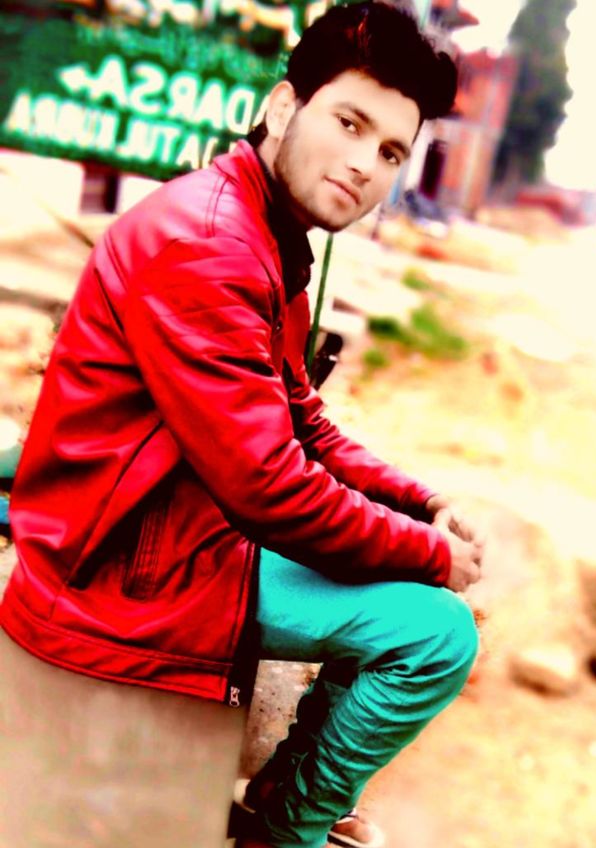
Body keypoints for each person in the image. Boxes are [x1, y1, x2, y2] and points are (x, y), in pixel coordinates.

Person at [0, 3, 485, 846]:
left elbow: (305, 424)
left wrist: (420, 503)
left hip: (177, 528)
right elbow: (271, 488)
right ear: (284, 106)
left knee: (408, 594)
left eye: (389, 151)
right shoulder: (212, 244)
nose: (363, 164)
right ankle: (287, 829)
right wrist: (433, 556)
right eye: (349, 123)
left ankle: (287, 794)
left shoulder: (263, 231)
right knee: (435, 635)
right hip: (124, 568)